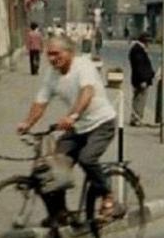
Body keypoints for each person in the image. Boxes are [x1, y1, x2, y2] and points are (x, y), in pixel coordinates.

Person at [16, 36, 119, 223]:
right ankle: (60, 213)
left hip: (102, 123)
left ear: (69, 52)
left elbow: (87, 92)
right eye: (49, 54)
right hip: (78, 128)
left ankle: (108, 196)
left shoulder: (83, 66)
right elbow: (41, 101)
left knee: (87, 158)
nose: (53, 58)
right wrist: (27, 123)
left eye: (57, 53)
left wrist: (72, 115)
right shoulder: (51, 74)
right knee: (53, 169)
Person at [128, 33, 155, 126]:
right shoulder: (138, 50)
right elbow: (139, 67)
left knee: (137, 99)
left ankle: (135, 118)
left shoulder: (137, 49)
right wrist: (143, 80)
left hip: (139, 79)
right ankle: (137, 119)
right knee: (140, 100)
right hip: (141, 80)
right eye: (148, 41)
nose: (149, 44)